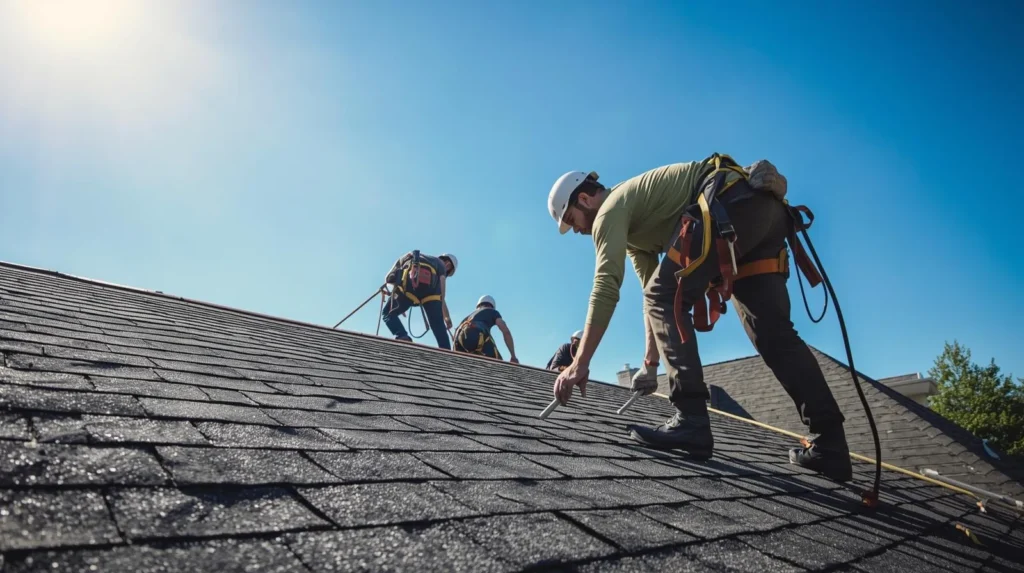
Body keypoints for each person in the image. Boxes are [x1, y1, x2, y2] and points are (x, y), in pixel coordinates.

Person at [544, 156, 853, 482]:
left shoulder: (610, 210)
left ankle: (691, 418)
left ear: (583, 198)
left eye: (572, 219)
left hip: (728, 206)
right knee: (772, 333)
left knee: (667, 298)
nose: (577, 230)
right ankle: (831, 444)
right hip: (759, 215)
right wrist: (650, 365)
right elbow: (653, 295)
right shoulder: (635, 223)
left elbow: (607, 287)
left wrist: (580, 363)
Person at [382, 250, 457, 350]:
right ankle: (446, 351)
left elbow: (389, 277)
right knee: (437, 324)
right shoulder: (440, 265)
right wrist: (446, 317)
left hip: (408, 289)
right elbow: (441, 294)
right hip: (431, 295)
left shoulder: (411, 255)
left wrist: (395, 299)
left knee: (387, 313)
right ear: (448, 265)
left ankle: (402, 336)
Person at [453, 295, 519, 363]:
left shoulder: (467, 318)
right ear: (492, 306)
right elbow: (505, 331)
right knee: (498, 363)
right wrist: (513, 356)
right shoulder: (492, 311)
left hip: (459, 340)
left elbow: (455, 336)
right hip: (476, 333)